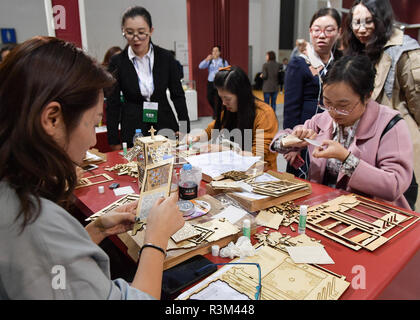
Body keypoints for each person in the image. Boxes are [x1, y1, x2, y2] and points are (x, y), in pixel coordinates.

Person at [0, 36, 185, 299]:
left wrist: (96, 230)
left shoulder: (14, 192)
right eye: (92, 122)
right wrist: (156, 240)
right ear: (52, 119)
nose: (90, 141)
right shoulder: (35, 223)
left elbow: (57, 269)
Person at [271, 55, 413, 210]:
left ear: (367, 96)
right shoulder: (323, 119)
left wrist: (346, 158)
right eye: (327, 102)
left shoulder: (390, 126)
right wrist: (288, 141)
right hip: (324, 208)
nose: (333, 112)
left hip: (369, 215)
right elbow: (280, 140)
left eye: (343, 105)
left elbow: (394, 186)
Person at [342, 0, 420, 210]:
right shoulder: (355, 51)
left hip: (398, 136)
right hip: (364, 140)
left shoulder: (404, 50)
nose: (361, 29)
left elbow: (417, 101)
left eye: (369, 22)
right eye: (356, 23)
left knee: (398, 202)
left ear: (382, 20)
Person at [106, 6, 190, 150]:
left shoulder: (165, 58)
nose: (136, 38)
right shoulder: (117, 62)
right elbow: (113, 103)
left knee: (170, 164)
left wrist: (184, 128)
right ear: (123, 31)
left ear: (151, 31)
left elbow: (178, 95)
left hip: (165, 122)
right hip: (133, 126)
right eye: (130, 33)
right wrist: (113, 140)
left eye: (141, 33)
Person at [283, 7, 342, 178]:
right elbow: (291, 108)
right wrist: (293, 144)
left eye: (329, 30)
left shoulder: (340, 63)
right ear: (310, 32)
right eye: (317, 30)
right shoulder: (299, 63)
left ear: (339, 32)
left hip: (332, 134)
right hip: (304, 134)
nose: (322, 35)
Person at [191, 66, 279, 171]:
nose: (223, 103)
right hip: (237, 171)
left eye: (227, 98)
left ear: (241, 94)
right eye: (221, 98)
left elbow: (257, 155)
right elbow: (214, 127)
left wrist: (223, 150)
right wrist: (196, 138)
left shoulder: (264, 114)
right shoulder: (231, 110)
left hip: (261, 174)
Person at [198, 45, 229, 118]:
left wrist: (221, 72)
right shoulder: (210, 61)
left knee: (219, 99)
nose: (214, 52)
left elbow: (228, 70)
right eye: (213, 51)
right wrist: (206, 59)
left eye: (216, 51)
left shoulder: (224, 61)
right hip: (211, 81)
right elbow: (200, 66)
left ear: (219, 52)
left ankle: (217, 114)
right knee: (209, 97)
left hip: (219, 82)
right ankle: (217, 111)